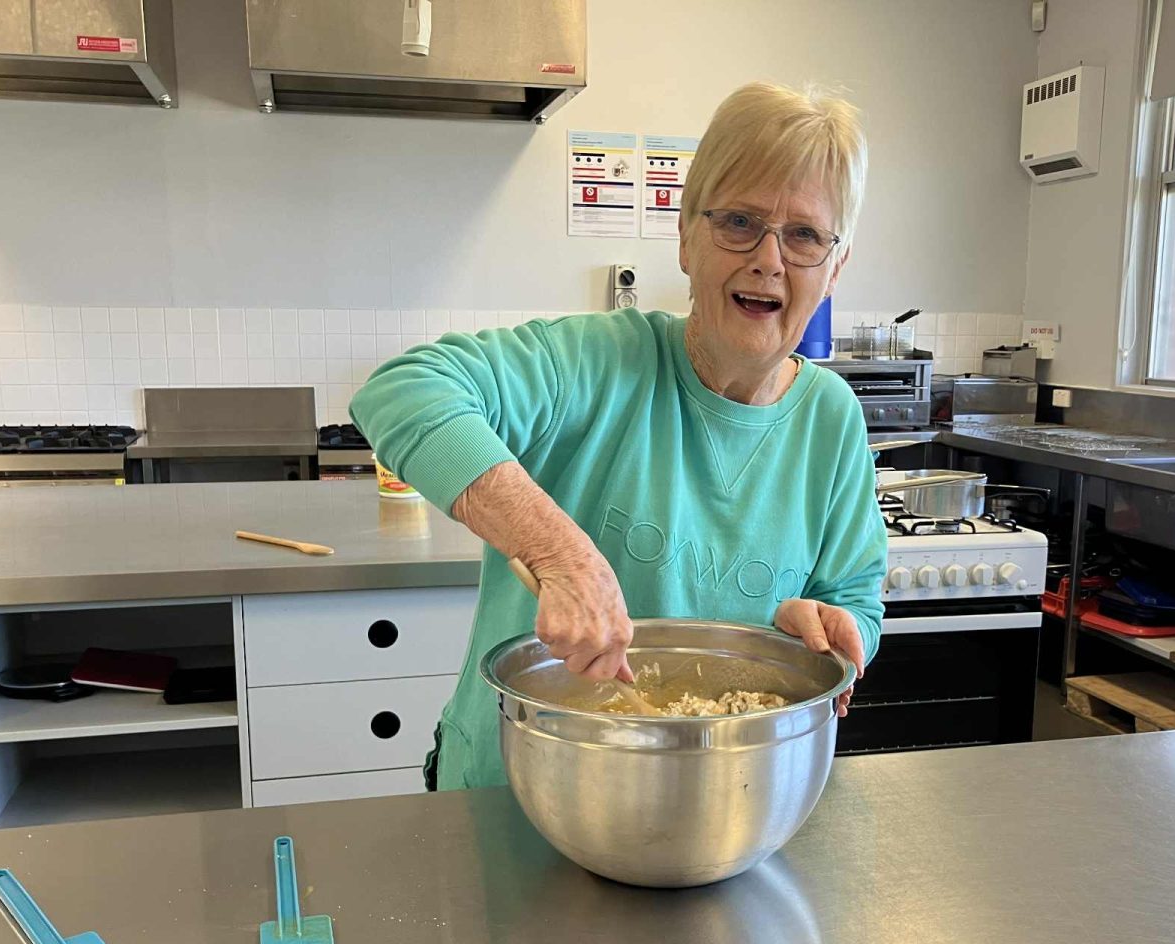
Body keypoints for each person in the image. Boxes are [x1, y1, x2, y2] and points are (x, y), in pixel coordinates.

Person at [351, 81, 887, 790]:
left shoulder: (832, 420)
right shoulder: (595, 363)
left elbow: (855, 600)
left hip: (721, 804)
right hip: (514, 792)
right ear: (686, 239)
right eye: (739, 222)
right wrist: (557, 552)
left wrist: (828, 628)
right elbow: (402, 389)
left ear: (835, 267)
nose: (769, 258)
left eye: (805, 236)